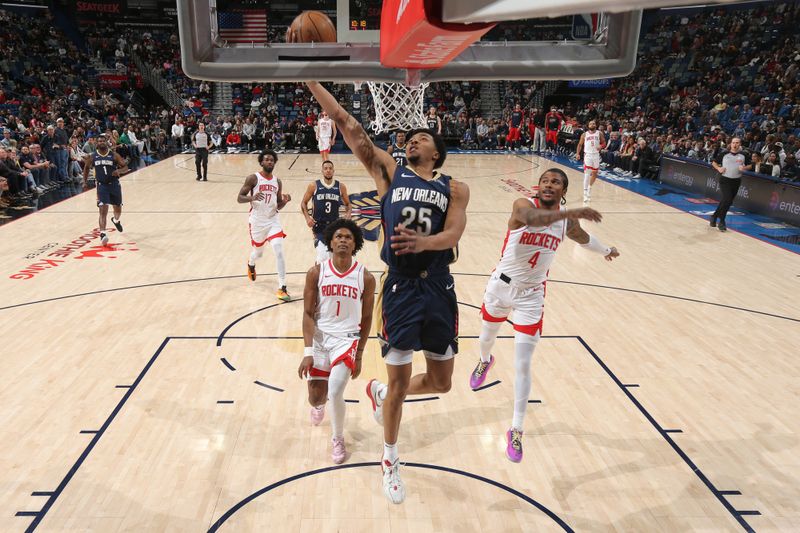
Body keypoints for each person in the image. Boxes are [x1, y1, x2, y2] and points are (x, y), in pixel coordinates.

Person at [304, 79, 469, 505]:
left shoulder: (454, 188)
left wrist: (425, 243)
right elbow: (346, 122)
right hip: (400, 288)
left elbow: (454, 232)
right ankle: (390, 458)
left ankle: (378, 393)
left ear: (436, 153)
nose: (413, 139)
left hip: (439, 286)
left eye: (422, 138)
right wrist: (310, 78)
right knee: (397, 382)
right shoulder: (389, 173)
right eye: (409, 138)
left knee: (442, 382)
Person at [470, 168, 619, 462]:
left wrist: (605, 250)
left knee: (523, 363)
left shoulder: (566, 221)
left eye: (556, 183)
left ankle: (516, 428)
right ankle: (485, 361)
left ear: (563, 191)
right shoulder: (523, 206)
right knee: (486, 337)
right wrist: (570, 213)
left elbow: (581, 236)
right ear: (537, 187)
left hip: (531, 296)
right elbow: (534, 221)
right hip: (501, 286)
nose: (549, 185)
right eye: (546, 181)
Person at [298, 219, 375, 464]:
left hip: (347, 340)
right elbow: (308, 313)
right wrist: (308, 351)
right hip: (321, 339)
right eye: (338, 237)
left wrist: (360, 353)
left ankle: (337, 438)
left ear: (355, 244)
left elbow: (366, 317)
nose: (343, 240)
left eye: (348, 237)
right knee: (316, 397)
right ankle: (319, 407)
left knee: (335, 390)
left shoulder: (366, 277)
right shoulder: (317, 272)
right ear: (330, 242)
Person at [237, 150, 292, 301]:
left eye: (272, 160)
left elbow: (278, 205)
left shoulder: (277, 181)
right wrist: (251, 197)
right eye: (267, 159)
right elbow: (239, 198)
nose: (269, 162)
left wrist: (285, 201)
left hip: (273, 220)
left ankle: (282, 287)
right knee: (258, 253)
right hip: (257, 222)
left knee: (279, 250)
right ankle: (251, 263)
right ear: (261, 162)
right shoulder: (253, 178)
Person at [300, 160, 352, 264]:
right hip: (319, 226)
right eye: (325, 168)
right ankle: (318, 273)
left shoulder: (340, 187)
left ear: (333, 171)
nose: (328, 170)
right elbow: (303, 203)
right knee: (322, 257)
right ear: (322, 171)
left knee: (333, 258)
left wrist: (348, 214)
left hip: (334, 226)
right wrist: (307, 218)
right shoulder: (314, 186)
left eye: (330, 168)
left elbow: (348, 204)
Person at [82, 135, 129, 246]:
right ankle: (103, 233)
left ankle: (116, 220)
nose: (101, 142)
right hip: (101, 186)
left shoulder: (114, 155)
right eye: (99, 141)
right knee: (103, 209)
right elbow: (86, 168)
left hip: (114, 185)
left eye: (103, 141)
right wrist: (84, 182)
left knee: (117, 208)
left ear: (106, 142)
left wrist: (119, 171)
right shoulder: (92, 156)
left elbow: (126, 167)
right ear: (96, 143)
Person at [710, 137, 750, 232]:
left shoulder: (744, 155)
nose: (735, 145)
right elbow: (714, 163)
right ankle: (722, 221)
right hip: (725, 180)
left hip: (736, 181)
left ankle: (714, 216)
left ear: (740, 144)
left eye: (737, 143)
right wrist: (719, 169)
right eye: (733, 143)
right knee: (727, 199)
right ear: (731, 144)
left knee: (727, 201)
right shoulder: (724, 154)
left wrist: (744, 168)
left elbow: (750, 165)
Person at [575, 120, 605, 202]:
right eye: (591, 123)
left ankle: (589, 188)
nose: (592, 124)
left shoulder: (599, 133)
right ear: (588, 125)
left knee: (595, 173)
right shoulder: (584, 134)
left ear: (596, 125)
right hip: (588, 155)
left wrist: (601, 146)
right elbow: (580, 145)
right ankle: (585, 193)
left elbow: (604, 143)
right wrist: (577, 154)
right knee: (587, 174)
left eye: (594, 123)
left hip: (596, 155)